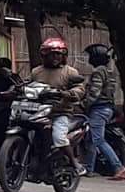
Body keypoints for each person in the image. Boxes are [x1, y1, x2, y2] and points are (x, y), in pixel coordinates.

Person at [30, 37, 87, 176]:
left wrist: (69, 94)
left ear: (63, 56)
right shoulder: (36, 71)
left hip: (60, 112)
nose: (55, 57)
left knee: (58, 137)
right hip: (37, 111)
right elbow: (28, 84)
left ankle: (74, 163)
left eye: (58, 54)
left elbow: (79, 89)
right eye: (51, 54)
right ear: (44, 55)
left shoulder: (70, 72)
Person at [83, 44, 125, 180]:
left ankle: (118, 167)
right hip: (107, 108)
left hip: (99, 109)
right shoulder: (110, 72)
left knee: (98, 140)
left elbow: (94, 93)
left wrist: (83, 104)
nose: (89, 58)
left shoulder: (98, 72)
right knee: (91, 139)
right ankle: (88, 168)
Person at [0, 58, 18, 156]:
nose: (0, 70)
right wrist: (2, 94)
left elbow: (18, 90)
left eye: (2, 68)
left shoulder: (14, 78)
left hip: (11, 108)